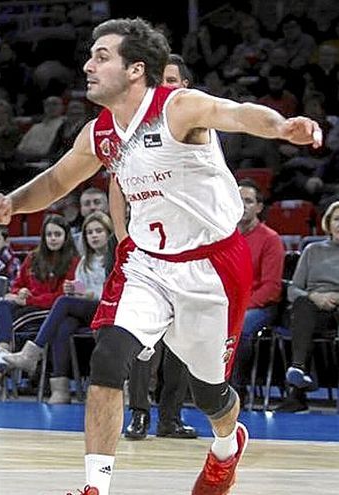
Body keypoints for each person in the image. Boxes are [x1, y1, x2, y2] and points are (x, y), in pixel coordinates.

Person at [0, 18, 321, 495]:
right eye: (90, 54)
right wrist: (13, 202)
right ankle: (94, 487)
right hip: (147, 264)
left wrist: (283, 126)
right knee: (108, 358)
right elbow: (57, 181)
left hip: (213, 266)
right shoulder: (100, 133)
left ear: (136, 68)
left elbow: (241, 114)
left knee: (210, 395)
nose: (88, 64)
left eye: (102, 56)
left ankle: (227, 445)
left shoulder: (179, 107)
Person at [122, 54, 198, 441]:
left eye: (171, 81)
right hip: (146, 249)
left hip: (190, 253)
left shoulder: (198, 128)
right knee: (141, 340)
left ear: (185, 86)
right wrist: (123, 240)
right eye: (159, 81)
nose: (164, 88)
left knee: (182, 342)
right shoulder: (138, 128)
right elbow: (116, 187)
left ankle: (170, 417)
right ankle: (137, 414)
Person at [0, 211, 114, 404]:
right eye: (89, 232)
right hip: (88, 309)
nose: (93, 235)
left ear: (109, 233)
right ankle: (60, 389)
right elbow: (82, 286)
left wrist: (88, 295)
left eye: (98, 231)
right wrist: (75, 289)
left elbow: (114, 291)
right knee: (64, 326)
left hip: (109, 308)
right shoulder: (85, 260)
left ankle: (32, 352)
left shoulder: (117, 258)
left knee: (63, 302)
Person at [0, 214, 79, 401]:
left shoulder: (73, 261)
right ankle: (3, 351)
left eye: (57, 234)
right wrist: (19, 292)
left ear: (66, 237)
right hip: (29, 306)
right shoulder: (32, 257)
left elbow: (62, 297)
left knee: (13, 324)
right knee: (1, 306)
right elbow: (17, 283)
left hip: (49, 312)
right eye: (49, 234)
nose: (53, 238)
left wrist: (30, 300)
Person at [275, 201, 339, 413]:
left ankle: (298, 387)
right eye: (337, 219)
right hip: (313, 308)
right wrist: (315, 296)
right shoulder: (312, 250)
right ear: (328, 224)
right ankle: (298, 373)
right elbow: (293, 289)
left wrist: (335, 297)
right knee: (302, 305)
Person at [231, 179, 284, 397]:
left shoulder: (270, 239)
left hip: (260, 306)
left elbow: (271, 288)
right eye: (238, 200)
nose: (242, 205)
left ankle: (236, 390)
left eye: (249, 201)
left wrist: (239, 307)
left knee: (239, 329)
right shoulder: (223, 236)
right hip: (227, 304)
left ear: (259, 207)